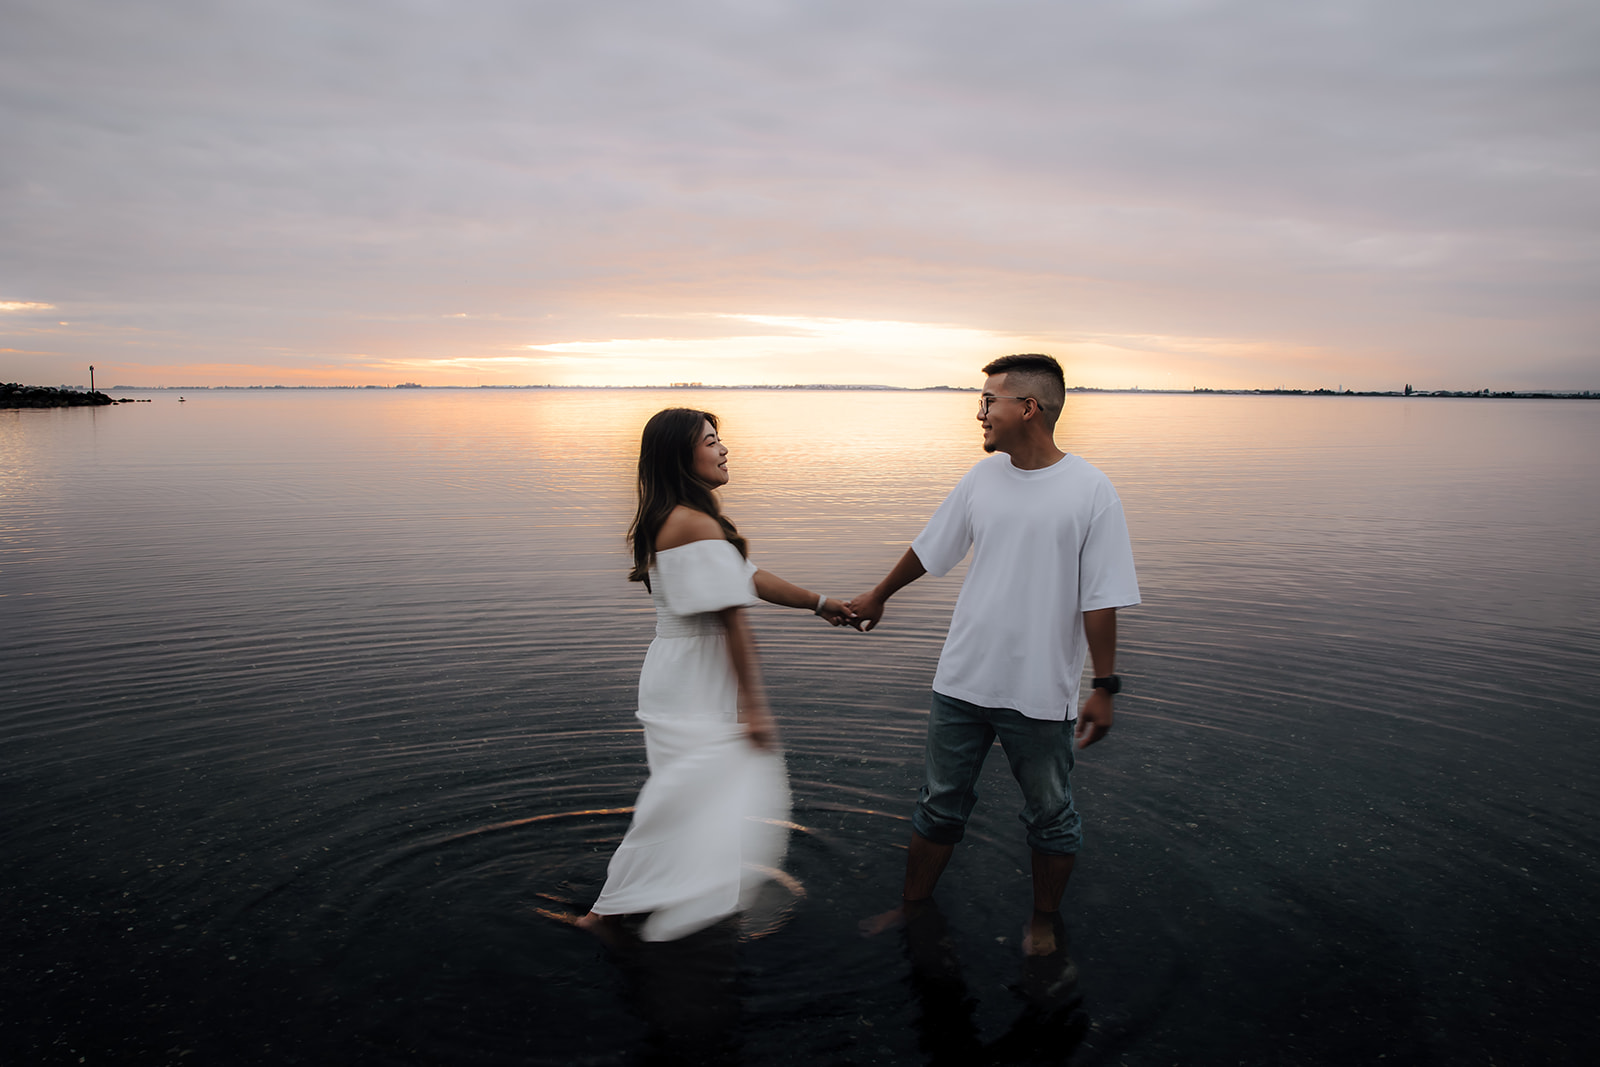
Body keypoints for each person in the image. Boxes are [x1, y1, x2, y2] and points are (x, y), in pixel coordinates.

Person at [848, 354, 1140, 955]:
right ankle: (912, 908)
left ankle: (1042, 922)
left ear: (1027, 408)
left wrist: (1104, 686)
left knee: (1051, 815)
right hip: (961, 679)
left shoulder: (1091, 491)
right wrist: (879, 594)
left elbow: (1102, 598)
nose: (979, 412)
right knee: (938, 805)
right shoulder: (982, 480)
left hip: (1038, 690)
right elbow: (932, 548)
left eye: (989, 401)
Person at [579, 407, 854, 944]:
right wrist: (755, 707)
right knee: (684, 794)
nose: (725, 449)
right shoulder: (694, 524)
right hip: (694, 680)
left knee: (695, 790)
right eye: (711, 441)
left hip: (677, 671)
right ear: (681, 456)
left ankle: (683, 890)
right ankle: (606, 913)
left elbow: (748, 578)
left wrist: (820, 603)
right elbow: (733, 619)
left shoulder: (676, 517)